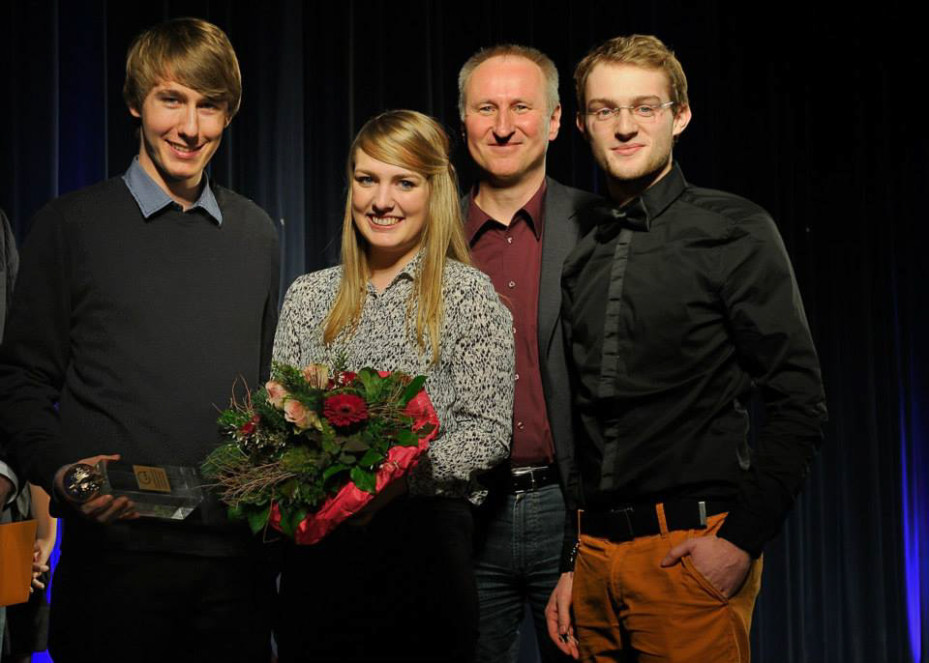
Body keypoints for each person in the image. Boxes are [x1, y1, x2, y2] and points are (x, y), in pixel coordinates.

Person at [0, 18, 279, 663]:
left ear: (229, 114)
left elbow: (264, 391)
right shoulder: (71, 226)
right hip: (114, 564)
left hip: (234, 567)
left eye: (209, 106)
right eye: (171, 100)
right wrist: (60, 472)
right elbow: (19, 382)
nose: (190, 127)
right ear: (135, 103)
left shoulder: (255, 233)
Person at [545, 34, 827, 662]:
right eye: (605, 110)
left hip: (686, 555)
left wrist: (740, 543)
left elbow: (800, 400)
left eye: (644, 107)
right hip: (594, 563)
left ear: (681, 115)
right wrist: (573, 560)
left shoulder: (733, 230)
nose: (624, 127)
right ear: (584, 124)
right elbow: (584, 428)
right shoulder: (583, 256)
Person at [272, 109, 515, 663]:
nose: (382, 201)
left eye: (404, 182)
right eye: (367, 180)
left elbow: (487, 433)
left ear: (435, 192)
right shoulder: (309, 297)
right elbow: (280, 421)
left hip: (424, 556)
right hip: (320, 565)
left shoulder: (468, 295)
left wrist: (390, 482)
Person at [457, 44, 598, 662]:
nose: (504, 124)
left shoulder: (601, 226)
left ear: (556, 120)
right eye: (486, 107)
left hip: (571, 513)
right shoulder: (428, 239)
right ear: (462, 120)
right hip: (465, 515)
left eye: (521, 106)